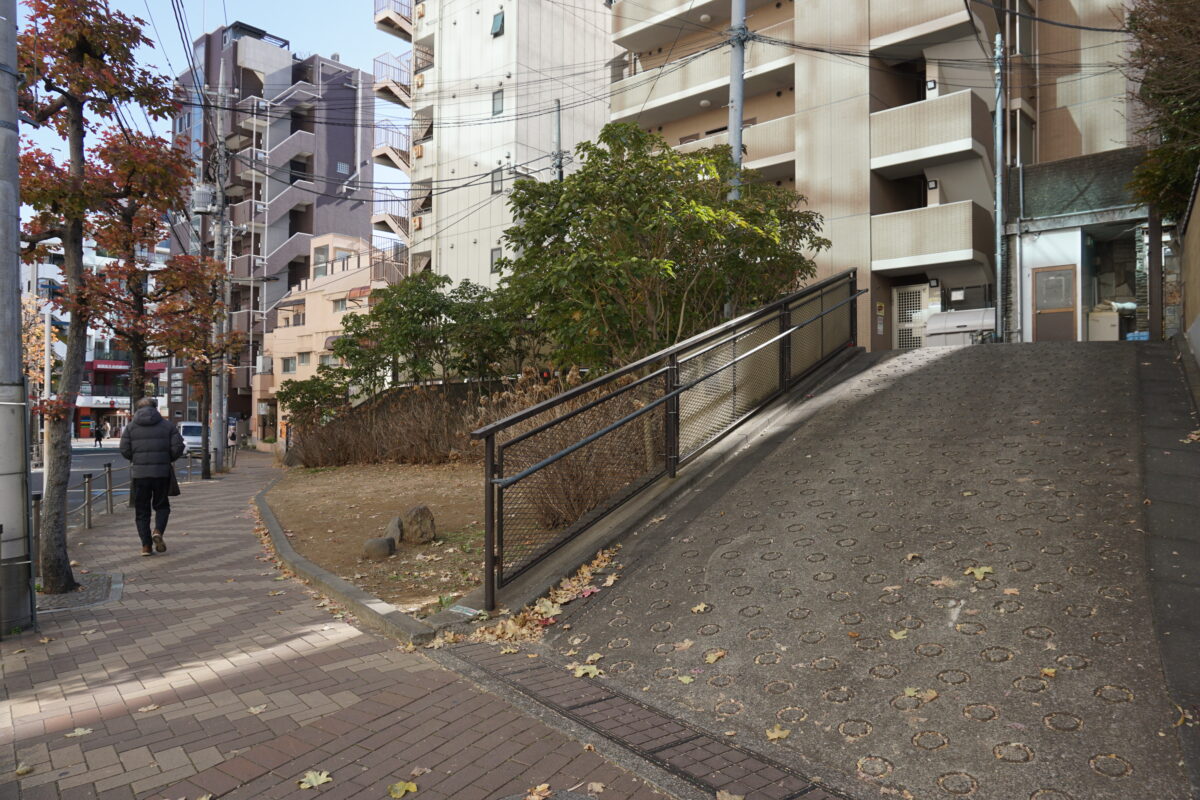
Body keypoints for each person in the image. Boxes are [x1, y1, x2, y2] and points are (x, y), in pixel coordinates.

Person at [119, 398, 185, 557]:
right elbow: (178, 447)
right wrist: (167, 458)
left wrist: (136, 459)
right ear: (155, 408)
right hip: (161, 473)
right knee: (162, 506)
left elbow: (124, 449)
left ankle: (146, 546)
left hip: (140, 474)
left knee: (142, 510)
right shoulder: (168, 426)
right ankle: (158, 531)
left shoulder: (131, 427)